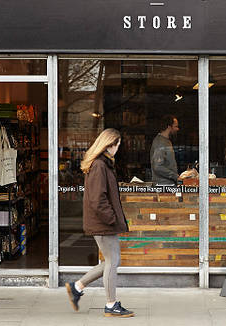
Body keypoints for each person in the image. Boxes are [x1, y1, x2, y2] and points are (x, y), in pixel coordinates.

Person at [65, 128, 134, 318]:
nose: (118, 149)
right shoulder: (100, 166)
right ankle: (111, 304)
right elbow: (97, 199)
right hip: (103, 223)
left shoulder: (103, 164)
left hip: (103, 222)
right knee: (113, 261)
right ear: (109, 145)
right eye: (117, 145)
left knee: (112, 260)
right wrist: (111, 219)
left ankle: (76, 287)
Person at [150, 115, 180, 185]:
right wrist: (175, 176)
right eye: (175, 126)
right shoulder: (160, 142)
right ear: (169, 127)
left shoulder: (166, 141)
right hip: (163, 186)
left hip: (167, 185)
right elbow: (157, 166)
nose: (177, 129)